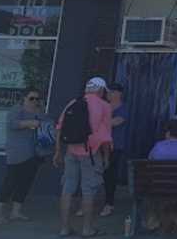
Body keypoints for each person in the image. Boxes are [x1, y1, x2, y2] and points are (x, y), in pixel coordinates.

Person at [54, 77, 112, 238]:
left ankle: (64, 228)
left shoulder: (73, 102)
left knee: (67, 189)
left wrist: (58, 151)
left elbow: (59, 128)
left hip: (71, 151)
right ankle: (87, 229)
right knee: (89, 191)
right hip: (91, 154)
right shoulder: (104, 106)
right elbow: (106, 136)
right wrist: (106, 157)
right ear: (101, 90)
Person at [0, 87, 44, 224]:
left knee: (25, 184)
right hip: (17, 154)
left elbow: (45, 124)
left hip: (33, 154)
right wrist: (30, 123)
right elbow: (12, 124)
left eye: (37, 99)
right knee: (9, 183)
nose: (35, 101)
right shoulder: (16, 110)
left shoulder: (38, 111)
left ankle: (16, 212)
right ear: (24, 98)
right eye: (31, 98)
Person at [145, 120, 177, 234]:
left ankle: (156, 220)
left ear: (168, 132)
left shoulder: (158, 145)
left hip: (160, 185)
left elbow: (149, 161)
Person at [100, 82, 127, 217]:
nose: (107, 94)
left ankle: (109, 204)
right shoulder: (104, 106)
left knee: (110, 175)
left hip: (114, 147)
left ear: (117, 93)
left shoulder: (122, 108)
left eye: (110, 92)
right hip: (99, 145)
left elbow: (115, 122)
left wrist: (99, 121)